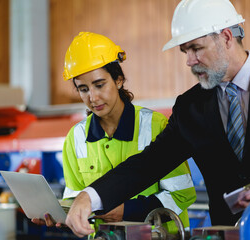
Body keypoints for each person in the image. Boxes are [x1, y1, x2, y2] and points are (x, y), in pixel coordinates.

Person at [65, 0, 250, 238]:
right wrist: (90, 196)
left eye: (196, 48)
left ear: (225, 37)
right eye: (185, 51)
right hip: (231, 233)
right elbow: (148, 163)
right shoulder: (191, 107)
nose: (189, 61)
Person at [32, 32, 196, 235]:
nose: (93, 97)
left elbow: (182, 194)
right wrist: (66, 215)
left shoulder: (156, 126)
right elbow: (75, 198)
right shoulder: (75, 138)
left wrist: (127, 211)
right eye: (83, 89)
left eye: (99, 85)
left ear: (119, 80)